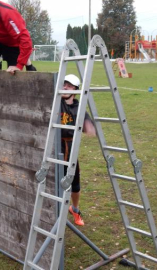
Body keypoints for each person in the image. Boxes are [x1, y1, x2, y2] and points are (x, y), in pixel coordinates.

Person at [61, 74, 96, 226]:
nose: (65, 87)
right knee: (54, 182)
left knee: (75, 184)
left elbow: (89, 126)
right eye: (64, 84)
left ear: (75, 89)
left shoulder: (78, 108)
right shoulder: (56, 101)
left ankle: (74, 209)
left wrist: (88, 126)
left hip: (71, 149)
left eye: (69, 86)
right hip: (55, 148)